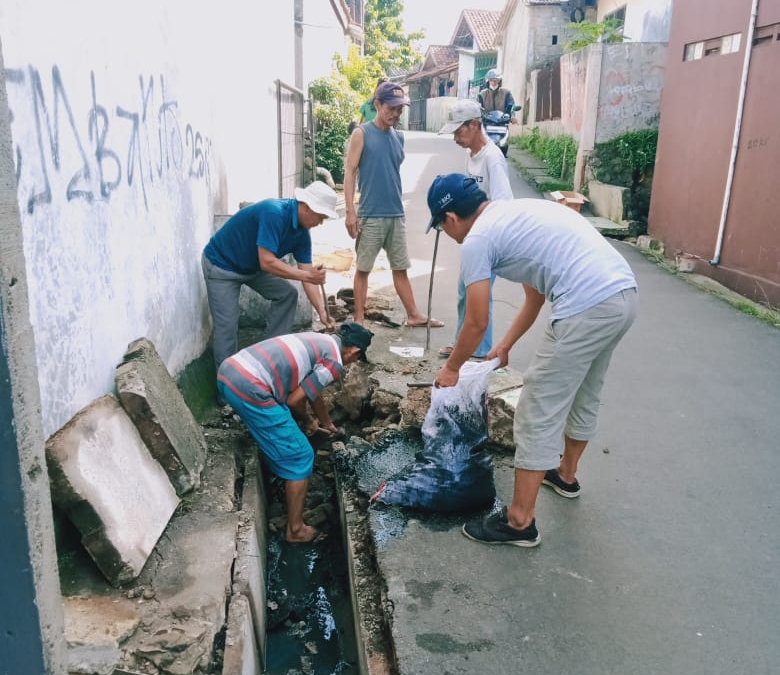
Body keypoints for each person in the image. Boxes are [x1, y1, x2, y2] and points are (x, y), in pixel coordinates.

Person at [426, 174, 638, 547]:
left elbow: (476, 322)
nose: (447, 233)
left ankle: (520, 522)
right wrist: (506, 345)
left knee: (537, 405)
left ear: (450, 218)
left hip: (585, 304)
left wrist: (452, 368)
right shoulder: (513, 214)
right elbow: (536, 297)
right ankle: (565, 476)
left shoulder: (477, 239)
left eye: (441, 226)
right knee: (586, 390)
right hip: (621, 295)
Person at [217, 322, 373, 543]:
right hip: (250, 387)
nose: (353, 363)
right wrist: (308, 420)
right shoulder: (335, 362)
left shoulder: (322, 340)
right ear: (355, 351)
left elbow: (313, 391)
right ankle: (296, 531)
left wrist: (327, 422)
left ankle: (279, 470)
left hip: (228, 373)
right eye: (357, 358)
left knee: (283, 425)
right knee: (302, 456)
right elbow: (294, 400)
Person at [202, 181, 339, 369]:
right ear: (307, 207)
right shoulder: (274, 213)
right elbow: (266, 261)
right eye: (320, 216)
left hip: (251, 268)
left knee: (287, 295)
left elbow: (308, 275)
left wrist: (322, 311)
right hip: (222, 266)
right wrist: (307, 276)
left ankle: (269, 358)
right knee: (227, 326)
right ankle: (227, 386)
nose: (320, 222)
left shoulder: (302, 235)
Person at [344, 81, 443, 328]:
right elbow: (350, 172)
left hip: (396, 214)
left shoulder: (399, 136)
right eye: (392, 108)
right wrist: (350, 212)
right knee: (363, 269)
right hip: (370, 214)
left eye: (400, 109)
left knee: (400, 267)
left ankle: (413, 315)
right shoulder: (362, 133)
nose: (396, 114)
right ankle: (359, 318)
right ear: (378, 105)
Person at [438, 98, 513, 361]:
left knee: (478, 297)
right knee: (465, 292)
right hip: (476, 236)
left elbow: (504, 202)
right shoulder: (473, 155)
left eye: (459, 131)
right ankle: (464, 343)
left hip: (491, 238)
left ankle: (479, 350)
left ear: (474, 125)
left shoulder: (492, 158)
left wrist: (482, 229)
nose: (456, 138)